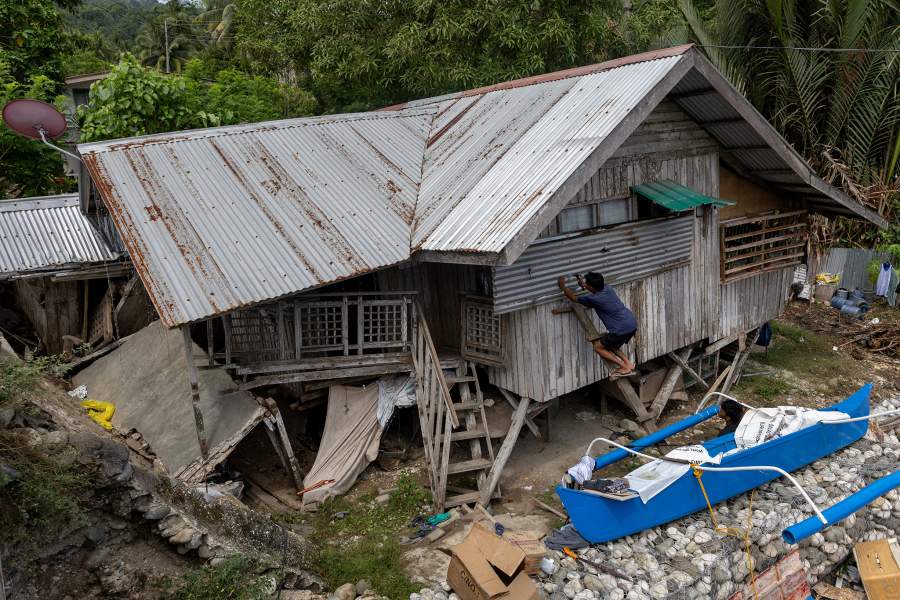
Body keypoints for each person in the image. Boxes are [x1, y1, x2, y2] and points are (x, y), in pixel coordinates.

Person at [557, 272, 637, 378]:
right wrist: (583, 284)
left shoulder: (594, 299)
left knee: (598, 347)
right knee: (611, 344)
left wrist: (563, 287)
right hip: (631, 323)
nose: (585, 285)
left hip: (620, 329)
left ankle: (625, 367)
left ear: (591, 286)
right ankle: (629, 364)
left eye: (587, 284)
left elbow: (573, 298)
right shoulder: (607, 288)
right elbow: (593, 290)